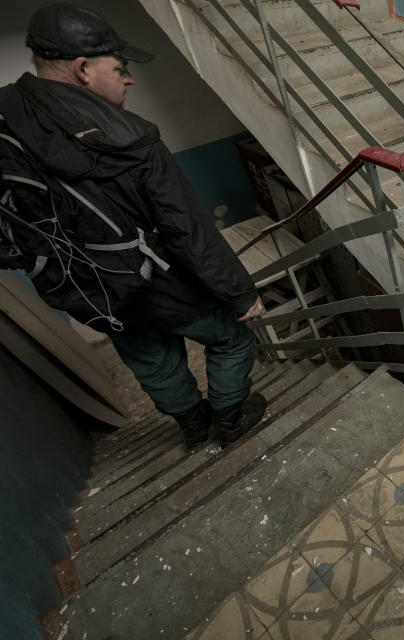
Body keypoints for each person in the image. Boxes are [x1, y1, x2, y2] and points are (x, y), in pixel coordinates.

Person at [0, 4, 266, 448]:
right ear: (83, 69)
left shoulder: (7, 124)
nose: (130, 79)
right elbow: (187, 228)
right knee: (232, 339)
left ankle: (195, 426)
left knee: (153, 361)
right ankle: (230, 417)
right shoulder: (130, 138)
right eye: (120, 68)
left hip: (92, 291)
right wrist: (241, 294)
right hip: (163, 283)